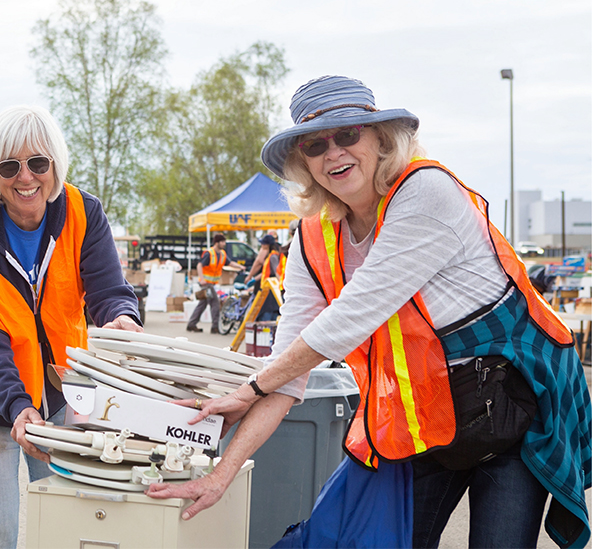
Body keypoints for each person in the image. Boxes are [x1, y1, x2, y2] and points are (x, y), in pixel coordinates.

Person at [147, 76, 591, 548]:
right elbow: (289, 369)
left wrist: (250, 388)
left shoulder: (425, 191)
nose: (333, 153)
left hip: (512, 409)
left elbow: (348, 319)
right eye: (316, 145)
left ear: (381, 139)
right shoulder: (313, 238)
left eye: (348, 134)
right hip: (421, 420)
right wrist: (219, 476)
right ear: (304, 164)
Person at [0, 105, 142, 549]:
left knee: (70, 521)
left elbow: (108, 289)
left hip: (61, 387)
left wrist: (121, 317)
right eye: (9, 166)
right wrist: (17, 407)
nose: (25, 177)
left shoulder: (84, 212)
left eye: (38, 163)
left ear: (54, 164)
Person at [186, 233, 242, 333]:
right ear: (217, 243)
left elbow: (229, 263)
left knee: (202, 304)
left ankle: (191, 324)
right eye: (222, 242)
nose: (224, 244)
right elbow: (199, 265)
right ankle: (214, 327)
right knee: (215, 303)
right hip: (206, 284)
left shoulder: (222, 254)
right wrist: (202, 279)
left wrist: (240, 267)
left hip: (212, 283)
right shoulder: (209, 253)